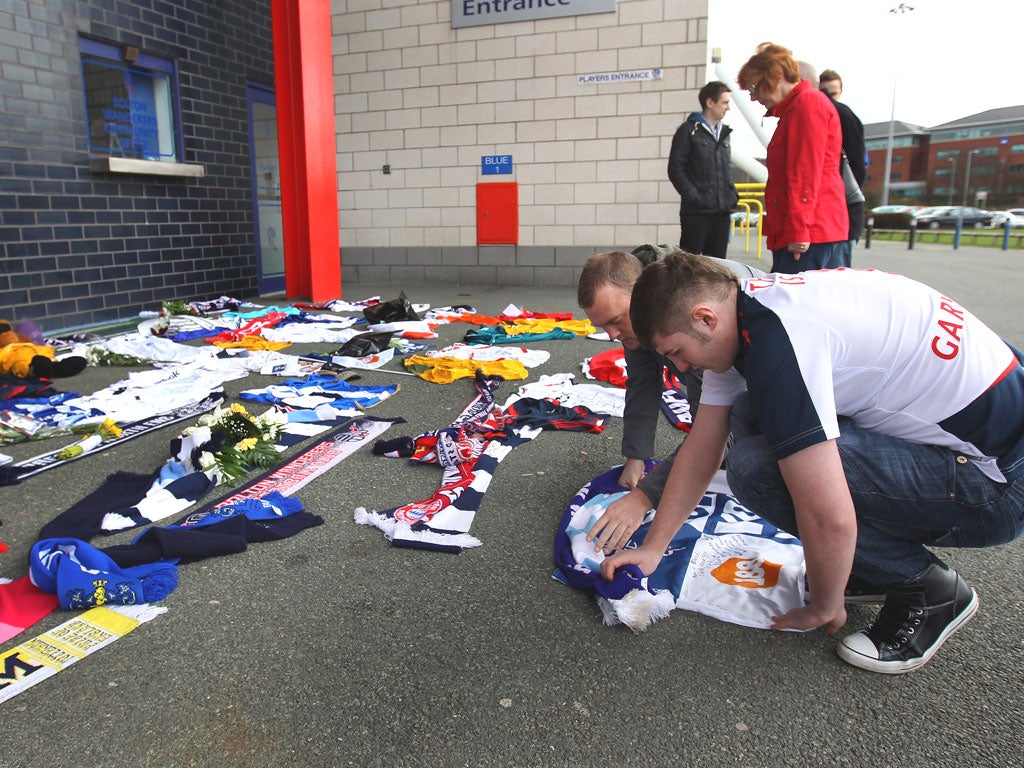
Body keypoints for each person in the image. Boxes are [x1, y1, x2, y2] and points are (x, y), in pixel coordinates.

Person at [601, 251, 1024, 674]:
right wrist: (654, 548)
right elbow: (703, 447)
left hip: (1000, 486)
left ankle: (928, 589)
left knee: (755, 469)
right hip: (989, 434)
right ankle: (860, 566)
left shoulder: (781, 345)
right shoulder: (750, 304)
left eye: (676, 351)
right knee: (749, 415)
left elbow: (828, 515)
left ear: (704, 318)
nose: (679, 366)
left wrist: (825, 605)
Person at [576, 248, 764, 555]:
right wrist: (636, 456)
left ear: (640, 296)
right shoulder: (639, 315)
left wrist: (646, 496)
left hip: (782, 357)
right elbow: (642, 384)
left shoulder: (689, 316)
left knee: (743, 435)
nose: (611, 335)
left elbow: (711, 427)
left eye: (617, 321)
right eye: (603, 327)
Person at [737, 44, 848, 274]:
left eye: (755, 87)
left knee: (796, 305)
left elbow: (804, 174)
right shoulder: (798, 108)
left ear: (776, 77)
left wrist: (799, 231)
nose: (754, 97)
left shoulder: (806, 106)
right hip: (809, 229)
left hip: (809, 233)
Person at [667, 81, 739, 258]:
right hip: (697, 213)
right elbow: (675, 169)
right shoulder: (688, 131)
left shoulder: (724, 133)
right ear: (710, 103)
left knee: (718, 267)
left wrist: (732, 195)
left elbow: (725, 170)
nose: (728, 107)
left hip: (721, 212)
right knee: (690, 266)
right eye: (724, 102)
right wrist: (696, 198)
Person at [819, 68, 866, 266]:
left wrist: (843, 195)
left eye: (833, 94)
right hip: (834, 213)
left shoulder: (842, 115)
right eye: (824, 93)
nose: (829, 99)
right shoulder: (828, 114)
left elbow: (857, 163)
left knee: (836, 276)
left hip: (843, 211)